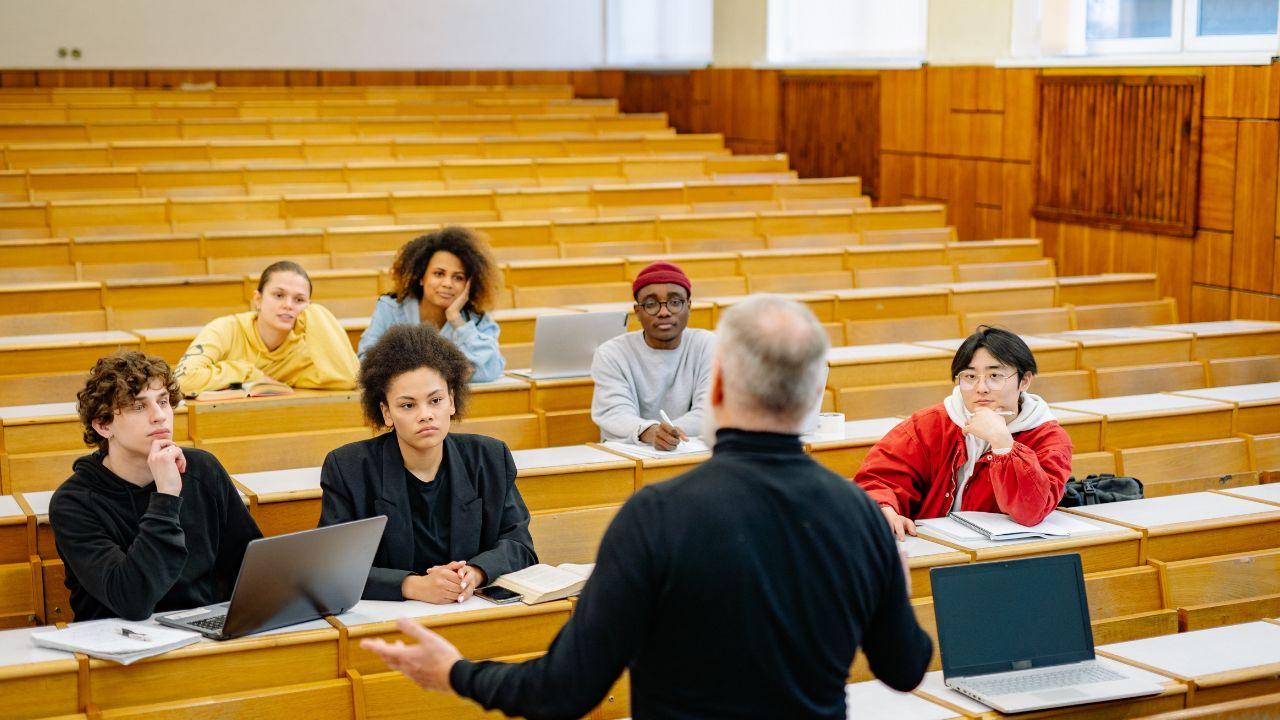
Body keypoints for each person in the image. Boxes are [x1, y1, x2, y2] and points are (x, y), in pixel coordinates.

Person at [361, 295, 932, 720]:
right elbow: (906, 669)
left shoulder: (658, 515)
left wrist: (455, 673)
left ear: (715, 390)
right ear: (813, 395)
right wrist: (892, 584)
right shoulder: (860, 515)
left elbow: (565, 690)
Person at [319, 323, 536, 603]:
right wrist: (412, 586)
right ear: (386, 412)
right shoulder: (348, 469)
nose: (426, 415)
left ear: (452, 401)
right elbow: (334, 567)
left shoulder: (490, 457)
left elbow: (520, 545)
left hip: (468, 608)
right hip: (390, 619)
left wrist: (475, 573)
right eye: (408, 405)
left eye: (435, 400)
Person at [49, 351, 262, 621]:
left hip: (202, 631)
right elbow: (132, 600)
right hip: (119, 639)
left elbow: (252, 567)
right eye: (139, 407)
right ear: (103, 425)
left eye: (163, 401)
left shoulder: (202, 470)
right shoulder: (73, 503)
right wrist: (166, 498)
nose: (159, 416)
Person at [855, 325, 1073, 539]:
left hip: (1005, 553)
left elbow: (1031, 511)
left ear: (1024, 381)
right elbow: (879, 479)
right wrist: (883, 507)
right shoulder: (930, 424)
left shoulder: (1049, 438)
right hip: (933, 546)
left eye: (995, 375)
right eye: (969, 377)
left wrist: (1003, 445)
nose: (981, 388)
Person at [174, 260, 358, 397]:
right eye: (279, 295)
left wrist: (316, 314)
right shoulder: (225, 329)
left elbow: (349, 379)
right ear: (258, 299)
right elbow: (183, 380)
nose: (288, 305)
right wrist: (250, 373)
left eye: (299, 300)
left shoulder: (304, 350)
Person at [590, 261, 714, 451]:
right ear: (637, 311)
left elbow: (710, 410)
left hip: (692, 451)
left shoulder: (709, 345)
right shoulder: (611, 353)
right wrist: (650, 432)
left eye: (675, 302)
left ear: (689, 306)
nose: (664, 312)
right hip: (630, 453)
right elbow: (614, 413)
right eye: (651, 304)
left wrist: (668, 434)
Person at [357, 226, 504, 382]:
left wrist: (456, 319)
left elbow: (491, 370)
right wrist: (450, 370)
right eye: (439, 274)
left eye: (458, 277)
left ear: (469, 284)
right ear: (421, 277)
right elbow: (366, 360)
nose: (447, 283)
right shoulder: (391, 309)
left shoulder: (477, 320)